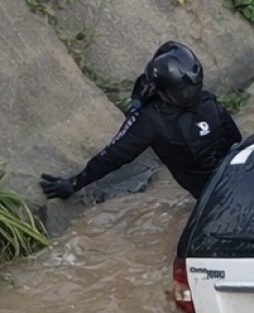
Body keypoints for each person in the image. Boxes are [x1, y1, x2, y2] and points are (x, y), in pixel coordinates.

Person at [40, 41, 242, 200]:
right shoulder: (208, 101)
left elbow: (114, 155)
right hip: (235, 178)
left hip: (210, 195)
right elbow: (235, 138)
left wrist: (74, 183)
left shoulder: (152, 121)